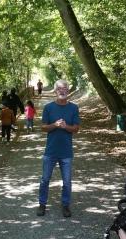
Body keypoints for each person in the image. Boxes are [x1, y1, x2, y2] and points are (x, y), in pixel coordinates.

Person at [36, 79, 80, 218]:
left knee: (67, 182)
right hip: (51, 151)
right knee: (45, 179)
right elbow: (43, 127)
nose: (62, 90)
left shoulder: (74, 108)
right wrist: (55, 125)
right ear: (56, 91)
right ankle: (42, 204)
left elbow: (76, 129)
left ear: (68, 91)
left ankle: (65, 205)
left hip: (66, 152)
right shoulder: (49, 107)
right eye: (60, 88)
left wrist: (65, 126)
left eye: (65, 88)